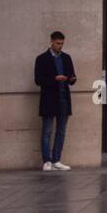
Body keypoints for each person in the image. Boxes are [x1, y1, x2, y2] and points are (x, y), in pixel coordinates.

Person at [34, 30, 76, 171]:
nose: (60, 46)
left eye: (62, 44)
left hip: (63, 98)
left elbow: (72, 77)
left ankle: (57, 159)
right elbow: (38, 80)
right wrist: (54, 79)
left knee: (61, 131)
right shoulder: (41, 58)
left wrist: (71, 79)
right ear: (51, 42)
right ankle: (47, 161)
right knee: (47, 131)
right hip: (49, 99)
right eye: (58, 43)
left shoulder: (66, 58)